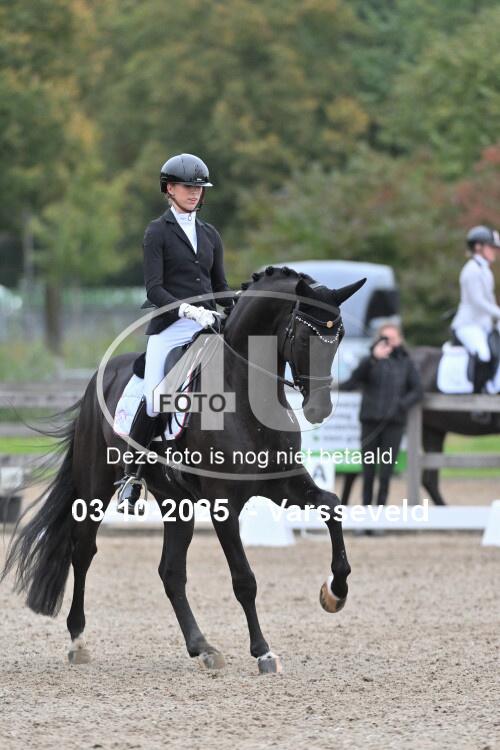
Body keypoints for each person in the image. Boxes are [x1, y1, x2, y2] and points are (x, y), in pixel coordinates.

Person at [116, 153, 234, 513]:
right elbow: (154, 288)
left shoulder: (210, 234)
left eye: (199, 187)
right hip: (171, 326)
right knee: (156, 398)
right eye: (187, 187)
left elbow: (219, 286)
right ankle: (132, 476)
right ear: (169, 189)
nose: (195, 193)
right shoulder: (157, 232)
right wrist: (186, 309)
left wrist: (240, 303)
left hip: (208, 327)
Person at [340, 323, 422, 508]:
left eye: (393, 338)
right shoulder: (369, 361)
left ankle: (381, 509)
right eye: (385, 338)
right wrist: (373, 359)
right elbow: (350, 383)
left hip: (394, 424)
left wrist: (401, 406)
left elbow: (417, 390)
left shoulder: (406, 363)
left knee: (386, 472)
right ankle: (367, 507)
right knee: (368, 471)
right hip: (370, 421)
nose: (390, 342)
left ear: (400, 339)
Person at [451, 225, 500, 393]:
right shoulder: (471, 270)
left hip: (483, 324)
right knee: (483, 353)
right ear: (478, 247)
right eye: (491, 247)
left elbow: (490, 299)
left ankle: (494, 385)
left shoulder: (486, 271)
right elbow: (477, 301)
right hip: (468, 325)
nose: (495, 251)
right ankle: (478, 392)